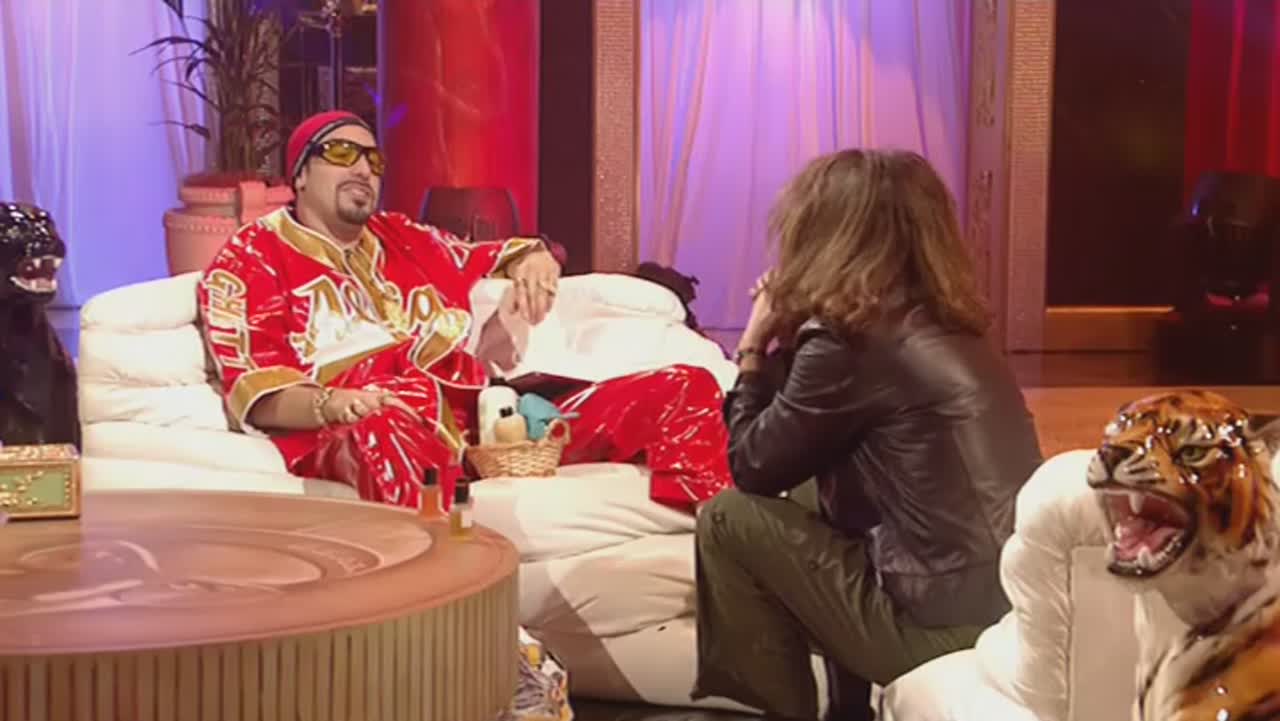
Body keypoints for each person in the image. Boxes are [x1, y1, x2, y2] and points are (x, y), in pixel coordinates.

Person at [197, 110, 731, 512]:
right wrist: (335, 404)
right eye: (341, 153)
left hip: (479, 428)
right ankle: (444, 599)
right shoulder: (252, 258)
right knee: (385, 425)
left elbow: (493, 253)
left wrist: (536, 255)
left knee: (685, 386)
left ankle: (720, 547)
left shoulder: (403, 238)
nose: (362, 168)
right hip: (369, 431)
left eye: (373, 159)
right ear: (299, 175)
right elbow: (259, 393)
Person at [692, 149, 1043, 721]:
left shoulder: (847, 340)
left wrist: (753, 344)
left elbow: (752, 464)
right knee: (813, 489)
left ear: (825, 235)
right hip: (1003, 606)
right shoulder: (950, 323)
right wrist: (793, 333)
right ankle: (845, 710)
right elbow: (800, 437)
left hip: (945, 631)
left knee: (729, 520)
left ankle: (778, 712)